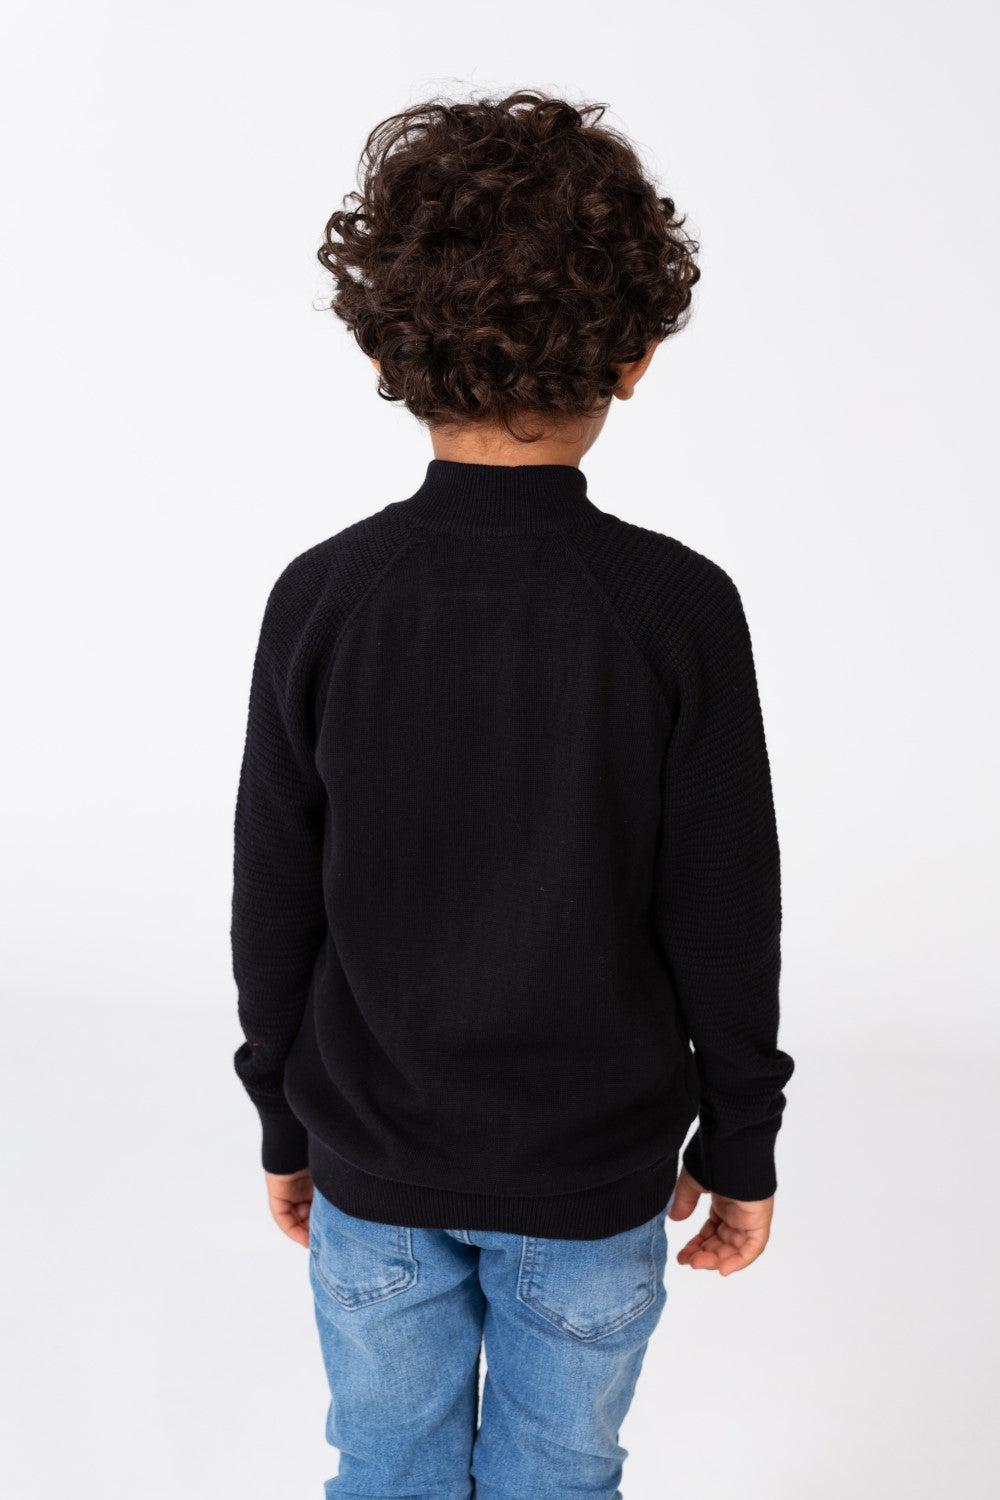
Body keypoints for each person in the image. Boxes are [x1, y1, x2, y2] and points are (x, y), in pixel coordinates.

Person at [230, 89, 795, 1500]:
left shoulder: (326, 596)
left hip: (372, 1172)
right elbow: (726, 909)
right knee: (562, 1475)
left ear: (382, 346)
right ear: (637, 356)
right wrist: (740, 1141)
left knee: (386, 1469)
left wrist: (284, 1116)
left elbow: (274, 895)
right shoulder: (676, 609)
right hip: (591, 1187)